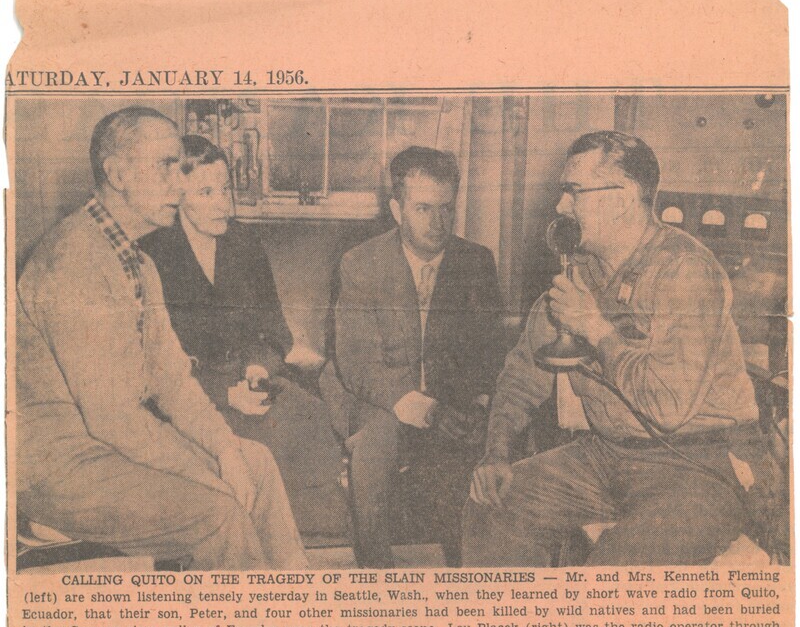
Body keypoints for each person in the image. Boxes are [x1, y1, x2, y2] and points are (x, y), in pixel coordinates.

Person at [464, 130, 777, 567]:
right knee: (493, 502)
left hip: (698, 465)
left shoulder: (683, 271)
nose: (560, 207)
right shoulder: (582, 271)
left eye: (574, 192)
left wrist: (595, 328)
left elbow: (668, 407)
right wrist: (496, 452)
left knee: (612, 574)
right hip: (609, 454)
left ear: (624, 198)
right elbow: (522, 376)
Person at [16, 107, 307, 570]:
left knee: (256, 465)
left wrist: (226, 451)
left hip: (111, 447)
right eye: (165, 166)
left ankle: (292, 615)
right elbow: (113, 418)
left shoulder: (137, 262)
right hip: (63, 469)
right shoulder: (73, 260)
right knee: (218, 513)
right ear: (117, 173)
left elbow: (171, 379)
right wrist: (209, 474)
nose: (178, 184)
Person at [139, 135, 342, 520]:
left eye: (226, 188)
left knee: (312, 415)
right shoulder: (152, 253)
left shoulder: (244, 243)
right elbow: (152, 362)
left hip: (250, 381)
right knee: (249, 451)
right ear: (177, 196)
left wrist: (257, 370)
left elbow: (276, 330)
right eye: (206, 191)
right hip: (188, 394)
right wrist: (221, 393)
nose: (224, 203)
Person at [324, 146, 505, 567]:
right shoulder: (361, 263)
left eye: (446, 209)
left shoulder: (476, 263)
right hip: (374, 398)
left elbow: (488, 353)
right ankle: (376, 569)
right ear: (396, 208)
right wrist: (427, 411)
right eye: (423, 209)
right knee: (379, 438)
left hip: (446, 400)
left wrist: (476, 403)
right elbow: (358, 364)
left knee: (475, 456)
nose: (437, 223)